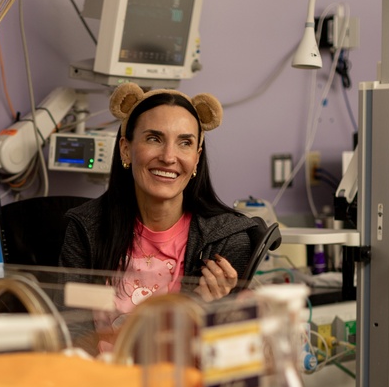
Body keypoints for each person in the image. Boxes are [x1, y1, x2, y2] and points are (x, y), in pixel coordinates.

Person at [59, 83, 258, 314]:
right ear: (126, 149)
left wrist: (206, 306)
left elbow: (231, 342)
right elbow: (71, 327)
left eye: (185, 143)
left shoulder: (226, 241)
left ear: (196, 158)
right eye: (154, 138)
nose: (168, 157)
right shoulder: (87, 228)